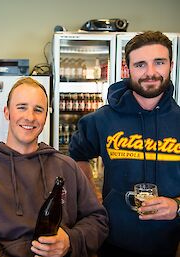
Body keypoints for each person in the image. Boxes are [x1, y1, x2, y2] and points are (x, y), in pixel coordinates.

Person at [0, 77, 108, 257]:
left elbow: (98, 221)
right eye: (22, 107)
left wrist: (70, 240)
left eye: (38, 110)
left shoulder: (67, 168)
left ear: (45, 117)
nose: (30, 117)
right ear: (7, 112)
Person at [69, 31, 180, 257]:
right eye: (140, 64)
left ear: (171, 65)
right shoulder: (102, 120)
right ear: (127, 69)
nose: (150, 72)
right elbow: (76, 154)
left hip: (170, 245)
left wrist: (177, 206)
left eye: (159, 62)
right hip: (111, 241)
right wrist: (93, 197)